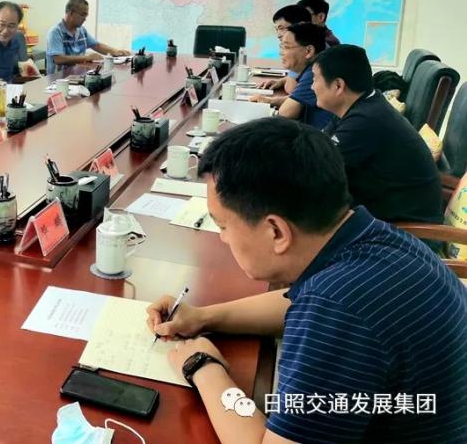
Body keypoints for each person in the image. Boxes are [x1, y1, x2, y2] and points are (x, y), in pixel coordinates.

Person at [146, 118, 467, 444]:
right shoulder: (372, 239)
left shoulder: (337, 309)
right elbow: (294, 303)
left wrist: (202, 366)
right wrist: (204, 317)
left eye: (224, 226)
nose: (223, 239)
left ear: (276, 232)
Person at [313, 44, 442, 224]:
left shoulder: (366, 120)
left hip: (402, 231)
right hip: (380, 214)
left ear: (338, 85)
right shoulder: (363, 104)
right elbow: (319, 147)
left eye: (315, 79)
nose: (312, 86)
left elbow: (315, 169)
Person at [255, 22, 334, 129]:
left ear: (309, 51)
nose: (281, 52)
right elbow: (298, 99)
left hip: (320, 136)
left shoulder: (315, 72)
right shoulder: (318, 64)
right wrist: (270, 101)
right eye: (281, 46)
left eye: (286, 47)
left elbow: (286, 113)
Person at [46, 0, 130, 69]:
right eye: (83, 15)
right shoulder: (55, 32)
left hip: (77, 76)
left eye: (86, 15)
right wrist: (87, 58)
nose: (85, 19)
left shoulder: (81, 31)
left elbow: (97, 45)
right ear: (71, 13)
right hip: (59, 79)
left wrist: (116, 52)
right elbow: (58, 59)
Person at [258, 5, 312, 93]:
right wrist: (282, 81)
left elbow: (300, 97)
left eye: (282, 28)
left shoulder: (312, 55)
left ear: (300, 25)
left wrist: (270, 99)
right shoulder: (299, 51)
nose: (278, 35)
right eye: (277, 30)